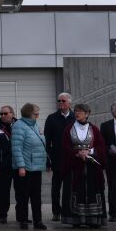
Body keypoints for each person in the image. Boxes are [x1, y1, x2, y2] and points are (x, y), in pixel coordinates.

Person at [60, 103, 107, 228]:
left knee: (92, 190)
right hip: (75, 166)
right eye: (76, 111)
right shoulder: (68, 129)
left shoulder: (94, 129)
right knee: (75, 190)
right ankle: (76, 219)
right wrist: (77, 153)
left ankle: (93, 219)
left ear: (87, 114)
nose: (77, 113)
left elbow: (101, 146)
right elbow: (64, 146)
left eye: (80, 111)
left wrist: (90, 151)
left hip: (92, 167)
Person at [11, 102, 48, 230]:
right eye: (36, 112)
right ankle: (23, 220)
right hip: (25, 168)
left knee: (36, 196)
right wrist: (21, 166)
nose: (38, 114)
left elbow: (42, 143)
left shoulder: (35, 124)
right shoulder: (18, 126)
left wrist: (46, 162)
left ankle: (38, 221)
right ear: (29, 113)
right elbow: (16, 148)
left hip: (36, 167)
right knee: (23, 196)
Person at [44, 92, 74, 222]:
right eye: (59, 101)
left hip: (71, 158)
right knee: (56, 187)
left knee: (69, 187)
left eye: (63, 101)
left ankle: (67, 212)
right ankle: (56, 211)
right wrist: (48, 160)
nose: (60, 103)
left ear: (69, 103)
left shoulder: (75, 117)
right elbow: (47, 140)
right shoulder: (52, 118)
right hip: (56, 158)